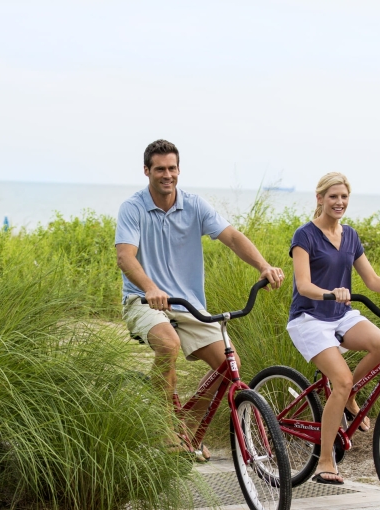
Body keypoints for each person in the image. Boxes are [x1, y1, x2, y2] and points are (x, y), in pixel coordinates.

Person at [115, 139, 285, 460]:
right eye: (160, 169)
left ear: (179, 170)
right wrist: (150, 287)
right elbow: (126, 257)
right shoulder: (133, 208)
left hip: (188, 304)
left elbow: (232, 237)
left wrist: (263, 266)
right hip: (143, 301)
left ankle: (188, 427)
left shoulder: (194, 205)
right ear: (147, 171)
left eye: (172, 168)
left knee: (228, 364)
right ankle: (165, 426)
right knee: (167, 344)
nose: (167, 175)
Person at [286, 172, 380, 484]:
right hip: (309, 318)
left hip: (340, 314)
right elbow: (304, 285)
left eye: (344, 197)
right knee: (341, 380)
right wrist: (329, 292)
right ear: (320, 198)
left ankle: (350, 395)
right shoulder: (304, 236)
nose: (339, 202)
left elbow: (372, 281)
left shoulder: (350, 236)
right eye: (333, 196)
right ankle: (325, 461)